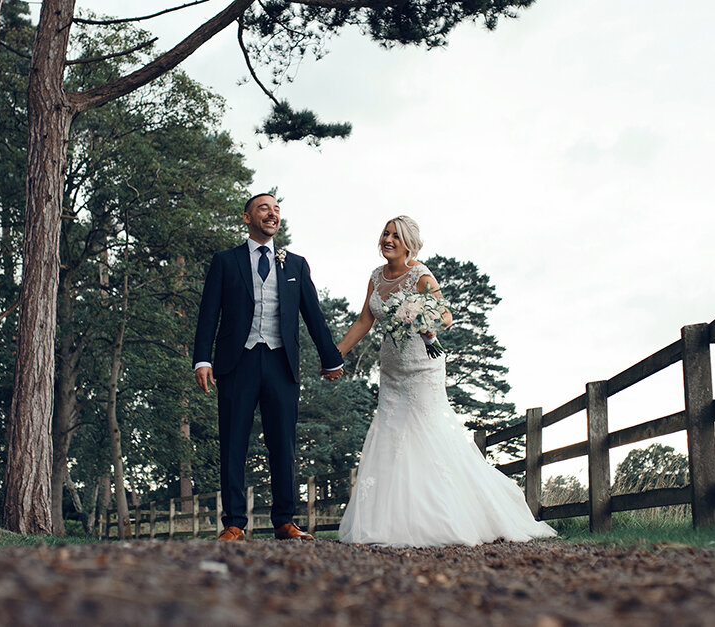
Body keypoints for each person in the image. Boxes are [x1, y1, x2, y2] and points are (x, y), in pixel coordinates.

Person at [336, 216, 556, 546]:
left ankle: (447, 516)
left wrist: (425, 321)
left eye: (396, 235)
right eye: (385, 233)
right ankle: (389, 522)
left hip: (423, 369)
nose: (388, 239)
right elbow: (365, 319)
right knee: (390, 436)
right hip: (392, 371)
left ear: (409, 242)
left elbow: (446, 316)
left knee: (427, 434)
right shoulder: (375, 278)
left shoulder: (421, 275)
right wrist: (335, 353)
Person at [193, 193, 344, 541]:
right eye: (264, 208)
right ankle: (233, 523)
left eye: (276, 209)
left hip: (281, 363)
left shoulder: (295, 264)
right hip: (236, 361)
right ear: (247, 217)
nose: (272, 214)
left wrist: (331, 357)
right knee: (233, 442)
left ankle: (284, 521)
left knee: (283, 443)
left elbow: (313, 315)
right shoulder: (225, 261)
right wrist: (203, 359)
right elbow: (207, 315)